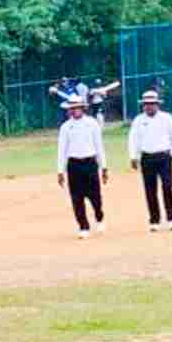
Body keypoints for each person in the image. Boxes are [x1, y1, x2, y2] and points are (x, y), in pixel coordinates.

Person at [126, 88, 172, 232]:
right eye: (146, 104)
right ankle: (154, 220)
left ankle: (171, 219)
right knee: (150, 190)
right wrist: (133, 156)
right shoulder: (139, 120)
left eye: (152, 103)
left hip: (164, 157)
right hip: (147, 158)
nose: (149, 106)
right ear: (143, 105)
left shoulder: (167, 118)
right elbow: (133, 139)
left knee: (167, 187)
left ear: (157, 104)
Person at [55, 96, 110, 237]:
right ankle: (83, 226)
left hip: (90, 163)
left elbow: (99, 146)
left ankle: (99, 217)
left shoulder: (92, 123)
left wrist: (104, 167)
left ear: (83, 108)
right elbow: (62, 150)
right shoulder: (65, 127)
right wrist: (60, 171)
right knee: (77, 198)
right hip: (74, 165)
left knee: (95, 196)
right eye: (71, 108)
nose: (74, 111)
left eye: (76, 108)